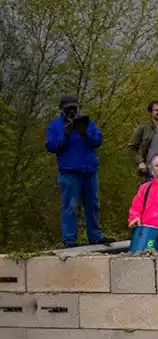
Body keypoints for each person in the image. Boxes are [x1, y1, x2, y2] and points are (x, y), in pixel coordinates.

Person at [46, 94, 106, 247]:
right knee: (70, 206)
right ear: (62, 109)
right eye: (69, 108)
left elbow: (97, 141)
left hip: (89, 172)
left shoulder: (88, 123)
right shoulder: (55, 126)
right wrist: (65, 136)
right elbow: (51, 146)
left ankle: (95, 236)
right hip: (69, 172)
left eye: (74, 108)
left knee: (93, 205)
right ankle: (69, 240)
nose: (72, 111)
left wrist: (85, 133)